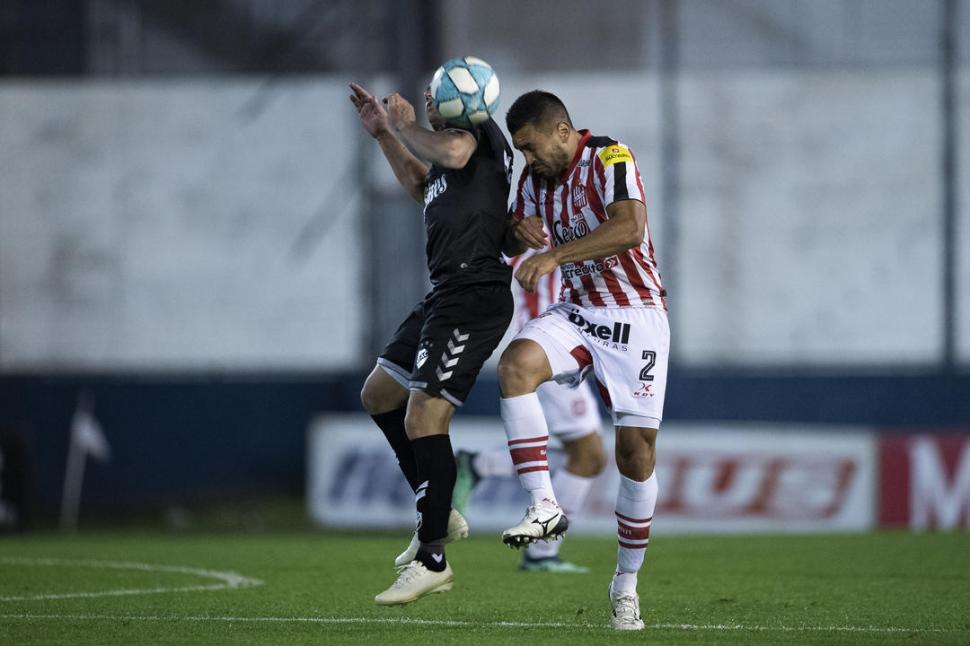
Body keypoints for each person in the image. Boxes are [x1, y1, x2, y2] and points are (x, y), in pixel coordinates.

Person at [497, 90, 669, 631]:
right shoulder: (532, 182)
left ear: (564, 132)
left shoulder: (610, 158)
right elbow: (509, 238)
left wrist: (553, 254)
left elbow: (629, 228)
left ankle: (625, 585)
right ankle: (544, 506)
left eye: (531, 147)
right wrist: (513, 230)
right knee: (514, 366)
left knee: (634, 455)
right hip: (578, 313)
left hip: (636, 315)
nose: (528, 160)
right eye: (520, 151)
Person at [350, 81, 514, 605]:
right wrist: (384, 136)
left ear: (464, 99)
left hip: (475, 294)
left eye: (435, 89)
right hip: (445, 292)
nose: (425, 96)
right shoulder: (444, 164)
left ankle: (433, 557)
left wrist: (403, 126)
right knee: (379, 395)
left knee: (424, 417)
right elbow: (423, 184)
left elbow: (452, 149)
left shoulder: (477, 138)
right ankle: (437, 511)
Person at [452, 243, 607, 573]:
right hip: (544, 346)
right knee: (588, 455)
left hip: (551, 342)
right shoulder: (536, 225)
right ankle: (541, 553)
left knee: (583, 453)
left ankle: (481, 465)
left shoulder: (543, 224)